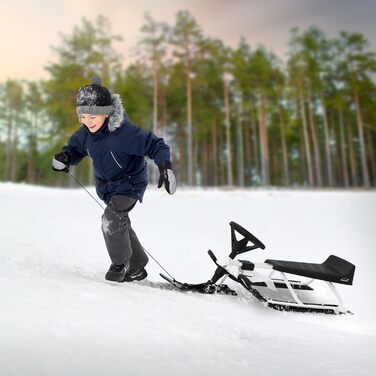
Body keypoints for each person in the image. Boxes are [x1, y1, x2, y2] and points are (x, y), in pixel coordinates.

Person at [52, 76, 176, 283]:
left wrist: (165, 167)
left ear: (107, 113)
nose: (88, 122)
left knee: (111, 220)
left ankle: (121, 264)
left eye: (93, 117)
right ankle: (137, 266)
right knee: (120, 222)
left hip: (130, 184)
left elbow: (156, 145)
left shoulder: (125, 133)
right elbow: (74, 149)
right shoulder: (85, 134)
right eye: (83, 116)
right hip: (107, 187)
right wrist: (65, 157)